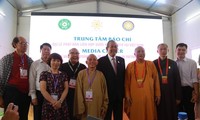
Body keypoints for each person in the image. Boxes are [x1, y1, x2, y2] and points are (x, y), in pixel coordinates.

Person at [0, 36, 33, 120]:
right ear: (15, 44)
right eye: (22, 43)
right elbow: (1, 77)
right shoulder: (6, 59)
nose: (25, 45)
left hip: (25, 94)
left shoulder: (29, 60)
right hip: (11, 92)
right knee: (11, 116)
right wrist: (0, 96)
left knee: (23, 116)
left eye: (26, 43)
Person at [125, 46, 161, 120]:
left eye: (142, 51)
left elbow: (156, 80)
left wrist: (158, 94)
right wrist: (127, 95)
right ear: (134, 54)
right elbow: (126, 82)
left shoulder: (150, 64)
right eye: (138, 51)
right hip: (134, 97)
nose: (141, 53)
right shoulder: (130, 66)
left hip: (148, 96)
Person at [96, 40, 125, 120]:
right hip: (106, 96)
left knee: (119, 117)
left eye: (115, 46)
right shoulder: (101, 61)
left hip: (119, 96)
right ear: (107, 48)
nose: (114, 48)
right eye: (111, 46)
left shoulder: (121, 60)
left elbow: (122, 77)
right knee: (106, 117)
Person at [74, 54, 108, 120]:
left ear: (97, 62)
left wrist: (104, 105)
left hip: (97, 105)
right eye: (90, 60)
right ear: (86, 62)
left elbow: (105, 91)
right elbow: (78, 92)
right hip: (85, 106)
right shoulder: (81, 74)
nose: (92, 61)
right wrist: (81, 107)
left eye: (94, 60)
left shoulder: (101, 74)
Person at [153, 43, 182, 120]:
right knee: (160, 113)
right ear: (157, 51)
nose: (163, 51)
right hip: (159, 93)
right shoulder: (153, 63)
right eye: (161, 49)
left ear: (168, 50)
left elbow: (177, 80)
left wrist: (178, 96)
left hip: (171, 93)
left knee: (171, 113)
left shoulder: (173, 63)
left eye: (165, 49)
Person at [39, 53, 69, 120]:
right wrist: (54, 102)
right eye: (54, 60)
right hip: (48, 105)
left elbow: (66, 89)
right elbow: (43, 90)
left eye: (58, 61)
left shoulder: (64, 74)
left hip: (61, 104)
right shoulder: (44, 74)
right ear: (50, 61)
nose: (56, 62)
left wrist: (60, 102)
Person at [59, 48, 86, 120]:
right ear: (68, 55)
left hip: (79, 95)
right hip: (66, 95)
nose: (75, 55)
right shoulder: (62, 66)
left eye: (77, 53)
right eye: (72, 53)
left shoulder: (83, 67)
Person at [175, 43, 199, 120]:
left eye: (183, 50)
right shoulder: (173, 63)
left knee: (190, 112)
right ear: (176, 50)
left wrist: (196, 93)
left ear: (186, 51)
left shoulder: (192, 63)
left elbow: (194, 79)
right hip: (177, 91)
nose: (181, 51)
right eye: (179, 49)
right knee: (178, 112)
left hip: (188, 90)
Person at [29, 43, 52, 120]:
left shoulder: (54, 63)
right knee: (38, 115)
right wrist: (33, 96)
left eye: (48, 49)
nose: (46, 51)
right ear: (40, 50)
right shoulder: (35, 64)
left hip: (51, 94)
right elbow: (31, 80)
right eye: (44, 49)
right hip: (39, 94)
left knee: (50, 115)